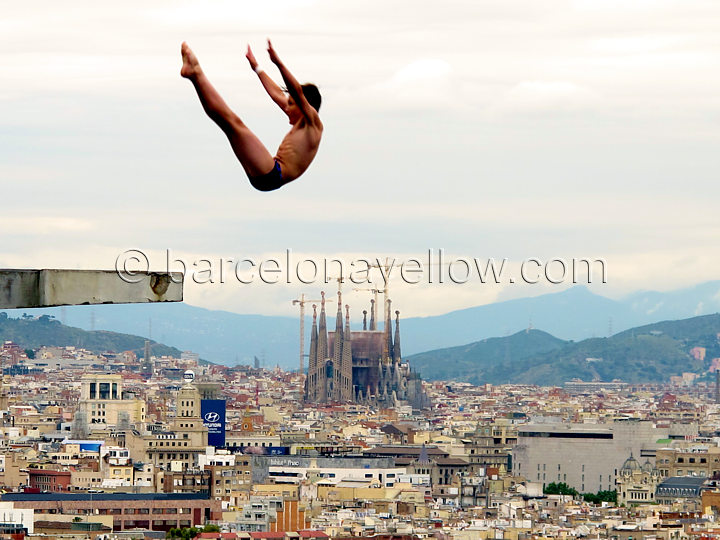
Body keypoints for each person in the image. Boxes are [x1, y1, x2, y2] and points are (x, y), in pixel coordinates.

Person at [180, 39, 323, 191]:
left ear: (305, 106)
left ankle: (196, 73)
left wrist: (278, 63)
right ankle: (194, 76)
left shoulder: (314, 125)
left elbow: (296, 92)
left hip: (273, 174)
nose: (286, 108)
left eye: (291, 104)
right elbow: (277, 94)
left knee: (234, 123)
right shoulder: (301, 118)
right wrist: (257, 68)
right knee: (228, 125)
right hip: (265, 173)